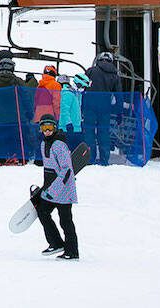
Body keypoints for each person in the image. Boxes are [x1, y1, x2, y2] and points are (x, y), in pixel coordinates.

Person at [32, 113, 80, 260]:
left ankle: (72, 252)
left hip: (64, 190)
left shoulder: (59, 145)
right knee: (42, 211)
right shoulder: (44, 143)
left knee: (65, 220)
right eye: (44, 127)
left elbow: (66, 170)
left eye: (50, 127)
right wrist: (45, 187)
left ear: (55, 128)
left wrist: (54, 190)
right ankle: (56, 243)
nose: (47, 131)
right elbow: (50, 170)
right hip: (51, 189)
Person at [0, 56, 28, 164]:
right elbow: (26, 97)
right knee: (17, 139)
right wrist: (29, 112)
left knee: (0, 139)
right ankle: (19, 158)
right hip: (17, 117)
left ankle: (0, 159)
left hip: (0, 117)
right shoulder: (17, 81)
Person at [83, 51, 120, 166]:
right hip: (105, 108)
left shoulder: (91, 71)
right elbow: (119, 95)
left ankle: (90, 158)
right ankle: (104, 159)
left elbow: (82, 87)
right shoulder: (115, 75)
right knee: (103, 133)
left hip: (89, 106)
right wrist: (119, 113)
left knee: (89, 131)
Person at [58, 73, 88, 145]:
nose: (83, 89)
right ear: (77, 84)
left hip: (76, 128)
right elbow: (64, 110)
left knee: (76, 152)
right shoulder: (67, 93)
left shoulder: (77, 94)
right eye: (82, 86)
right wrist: (68, 124)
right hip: (67, 129)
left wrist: (81, 122)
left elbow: (78, 111)